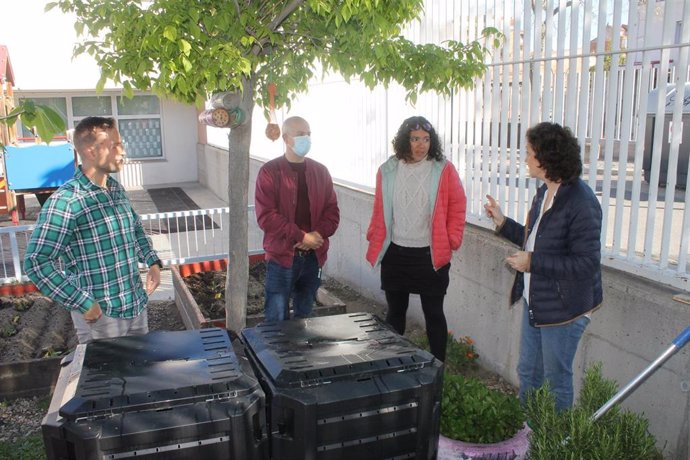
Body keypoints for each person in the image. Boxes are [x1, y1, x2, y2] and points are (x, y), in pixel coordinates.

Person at [484, 121, 603, 411]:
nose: (525, 158)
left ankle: (554, 444)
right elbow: (533, 241)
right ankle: (529, 434)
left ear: (546, 158)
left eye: (529, 152)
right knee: (529, 373)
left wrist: (533, 263)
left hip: (564, 310)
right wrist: (501, 222)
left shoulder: (581, 202)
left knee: (556, 381)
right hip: (536, 300)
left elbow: (586, 264)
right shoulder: (545, 192)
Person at [24, 116, 162, 344]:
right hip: (102, 316)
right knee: (108, 379)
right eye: (115, 145)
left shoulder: (115, 189)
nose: (122, 151)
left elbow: (135, 230)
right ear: (90, 151)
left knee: (139, 374)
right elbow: (37, 262)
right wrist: (82, 302)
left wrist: (153, 262)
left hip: (135, 305)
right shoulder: (67, 201)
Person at [366, 116, 466, 362]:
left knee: (433, 313)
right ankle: (392, 363)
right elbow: (380, 208)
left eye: (426, 139)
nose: (421, 145)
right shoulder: (388, 170)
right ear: (404, 140)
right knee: (395, 313)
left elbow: (458, 204)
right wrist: (374, 236)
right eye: (414, 139)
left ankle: (438, 369)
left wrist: (452, 238)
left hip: (429, 255)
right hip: (396, 253)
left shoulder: (443, 169)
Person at [254, 116, 340, 322]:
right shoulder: (270, 172)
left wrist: (316, 235)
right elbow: (266, 217)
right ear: (286, 138)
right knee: (276, 319)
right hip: (282, 257)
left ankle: (301, 353)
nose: (306, 138)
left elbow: (332, 212)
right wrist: (301, 236)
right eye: (300, 134)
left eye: (309, 134)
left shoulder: (320, 171)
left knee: (305, 318)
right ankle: (276, 355)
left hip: (313, 258)